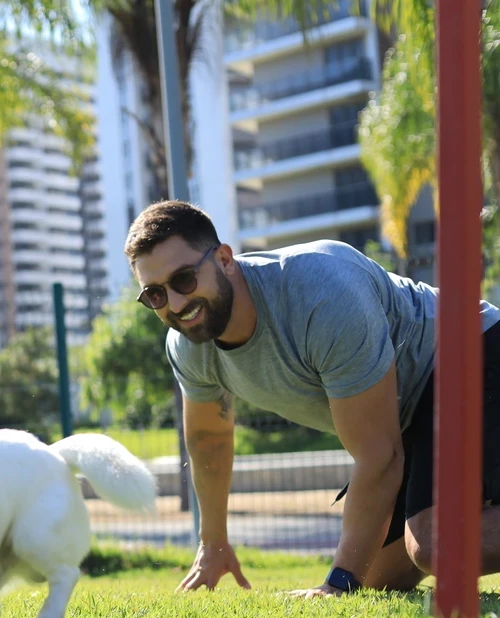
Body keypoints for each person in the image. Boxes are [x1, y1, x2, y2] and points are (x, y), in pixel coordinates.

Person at [125, 200, 500, 596]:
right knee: (373, 575)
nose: (176, 305)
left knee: (434, 544)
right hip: (410, 410)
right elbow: (209, 440)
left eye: (184, 279)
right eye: (155, 295)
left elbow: (380, 456)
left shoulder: (321, 293)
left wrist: (337, 583)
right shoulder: (188, 345)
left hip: (470, 350)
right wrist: (213, 542)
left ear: (224, 259)